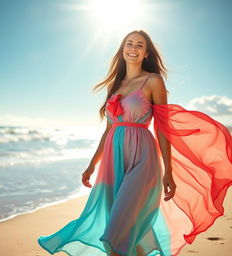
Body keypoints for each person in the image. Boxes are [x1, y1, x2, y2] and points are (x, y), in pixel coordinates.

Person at [38, 30, 232, 256]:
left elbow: (162, 127)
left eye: (139, 45)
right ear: (122, 49)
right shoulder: (116, 85)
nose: (133, 48)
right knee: (131, 235)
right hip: (113, 162)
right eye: (129, 44)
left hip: (143, 158)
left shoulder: (153, 81)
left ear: (146, 53)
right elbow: (109, 129)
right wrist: (92, 165)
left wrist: (168, 171)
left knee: (117, 232)